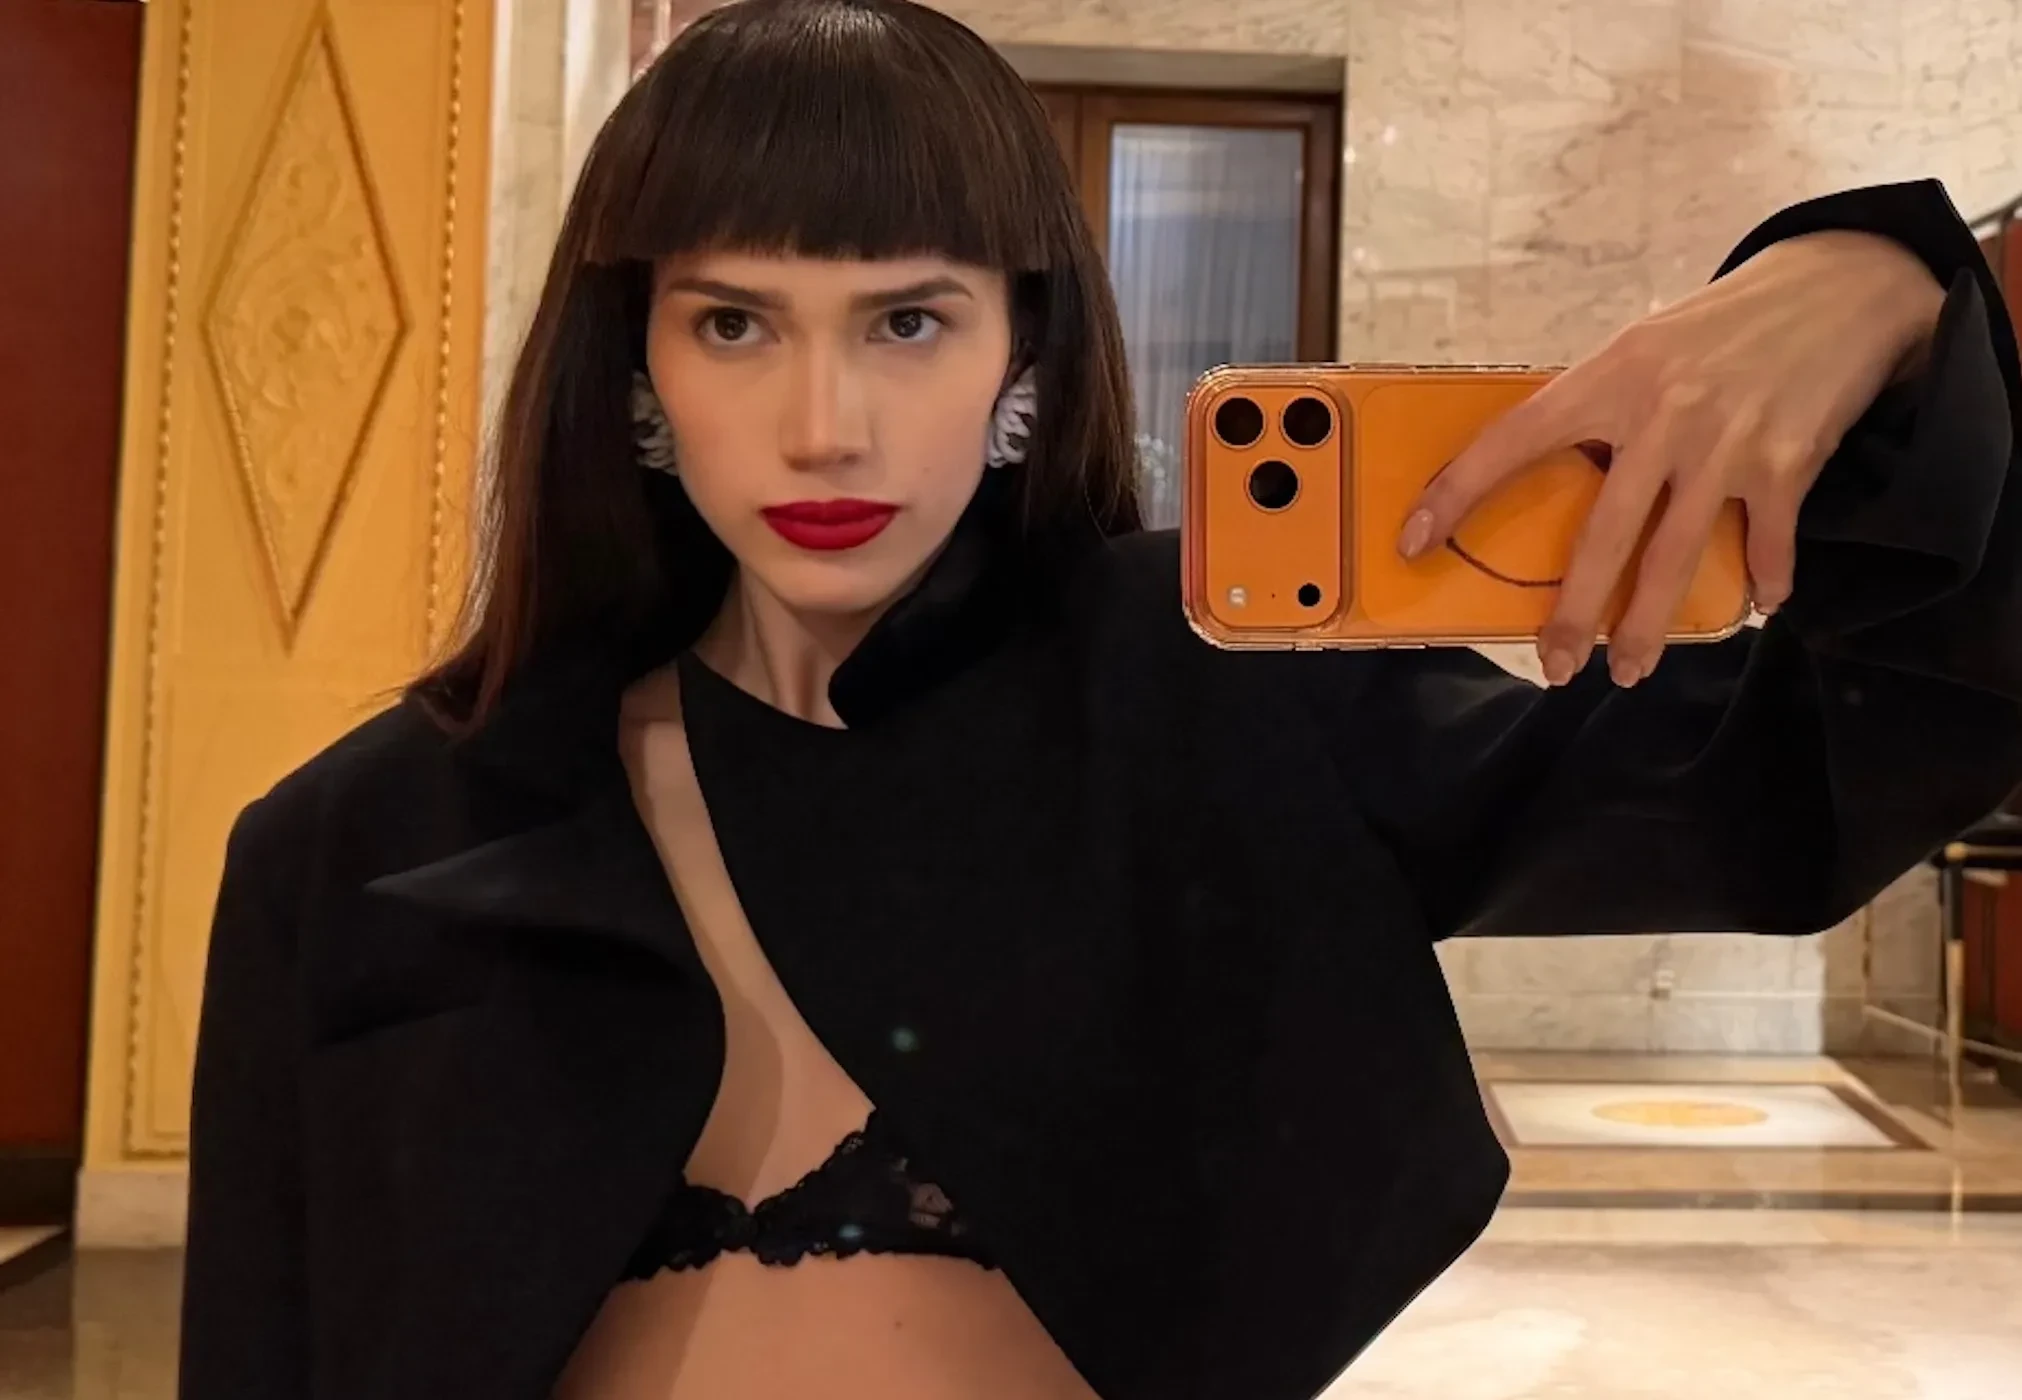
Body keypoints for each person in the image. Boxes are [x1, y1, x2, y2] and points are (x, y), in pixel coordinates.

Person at [178, 1, 2022, 1398]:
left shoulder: (1208, 698)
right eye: (734, 322)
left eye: (907, 321)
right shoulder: (359, 843)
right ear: (636, 372)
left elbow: (1787, 791)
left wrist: (1884, 286)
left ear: (1022, 361)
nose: (824, 425)